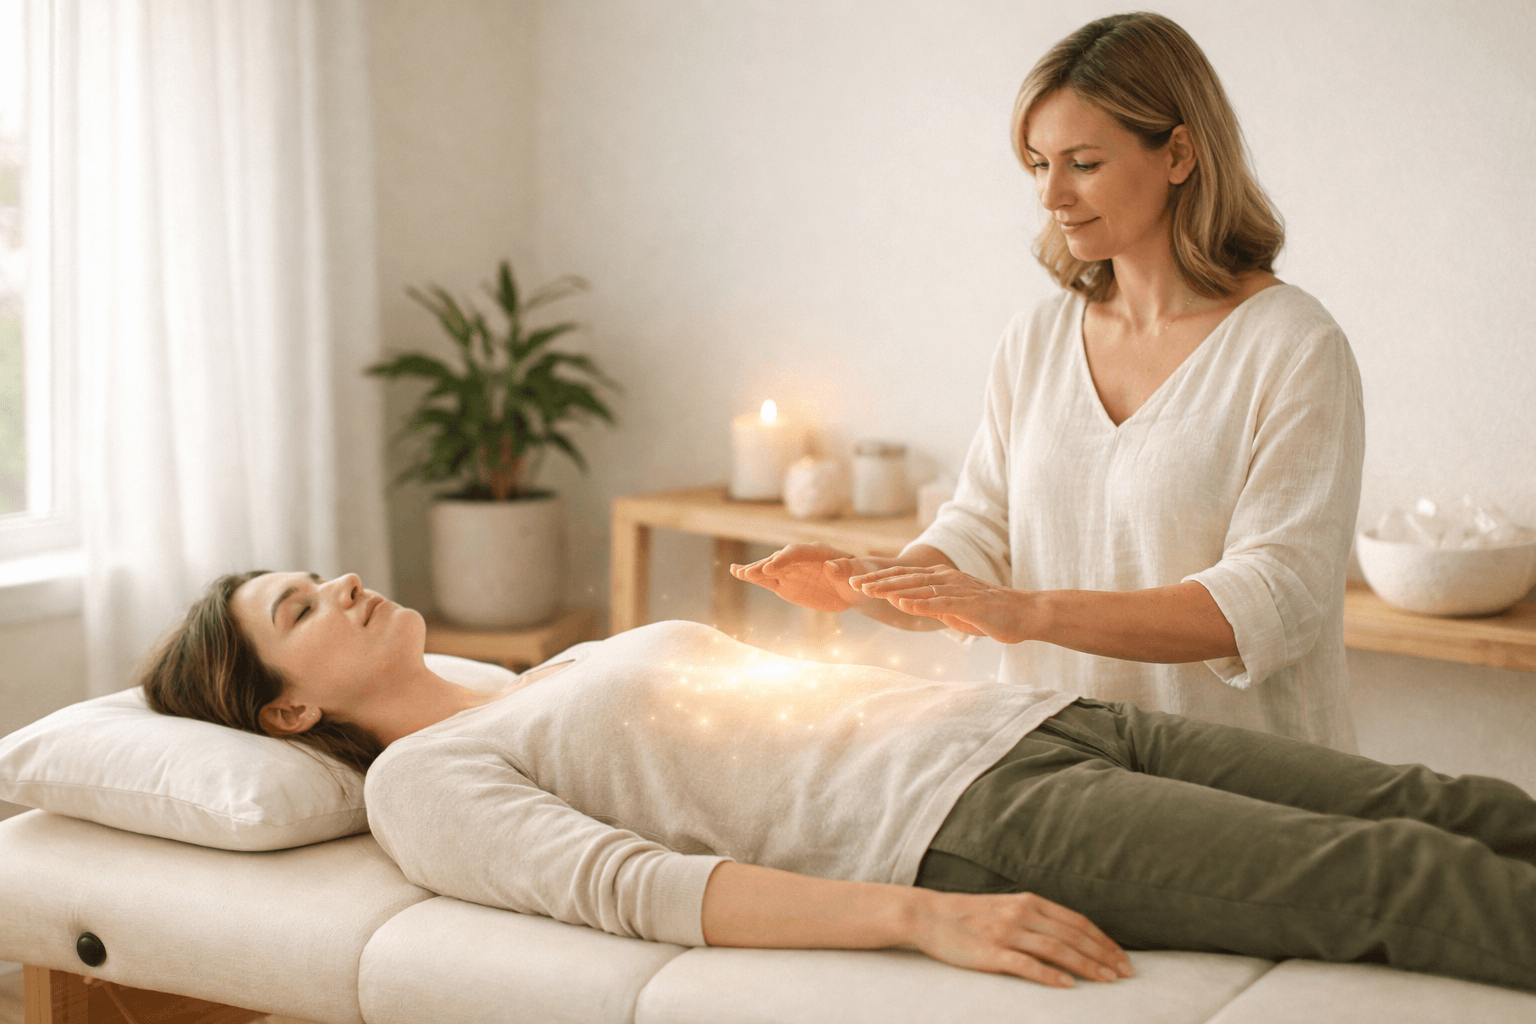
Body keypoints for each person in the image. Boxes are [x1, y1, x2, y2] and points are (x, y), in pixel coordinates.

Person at [142, 570, 1536, 994]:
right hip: (974, 822)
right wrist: (920, 918)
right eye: (301, 606)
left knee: (1438, 800)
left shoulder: (534, 680)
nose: (342, 581)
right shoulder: (424, 784)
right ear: (289, 702)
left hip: (1042, 725)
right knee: (1401, 882)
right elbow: (639, 891)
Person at [733, 12, 1363, 750]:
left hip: (1248, 790)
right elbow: (981, 533)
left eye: (1083, 163)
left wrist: (1030, 612)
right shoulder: (1035, 340)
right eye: (1038, 164)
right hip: (1058, 776)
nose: (1050, 195)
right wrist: (867, 583)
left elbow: (1273, 601)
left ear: (1180, 154)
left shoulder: (1293, 346)